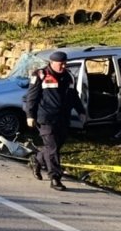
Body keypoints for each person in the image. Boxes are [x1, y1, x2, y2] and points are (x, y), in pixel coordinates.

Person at [25, 50, 86, 191]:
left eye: (65, 63)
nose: (64, 66)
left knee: (55, 147)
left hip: (63, 118)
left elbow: (74, 96)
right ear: (52, 63)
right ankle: (55, 178)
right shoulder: (41, 75)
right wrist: (30, 115)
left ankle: (37, 160)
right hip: (45, 117)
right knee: (52, 148)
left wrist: (82, 113)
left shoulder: (69, 76)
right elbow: (31, 97)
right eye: (61, 64)